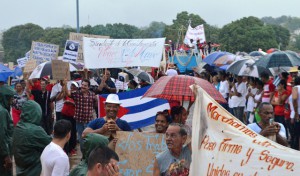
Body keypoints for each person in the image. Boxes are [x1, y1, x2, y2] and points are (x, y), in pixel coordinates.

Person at [12, 100, 52, 176]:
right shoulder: (34, 130)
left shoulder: (19, 126)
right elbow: (51, 144)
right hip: (34, 169)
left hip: (21, 169)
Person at [69, 79, 98, 154]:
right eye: (82, 85)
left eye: (85, 85)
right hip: (79, 122)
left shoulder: (92, 95)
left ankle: (88, 156)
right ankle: (84, 156)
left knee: (88, 140)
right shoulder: (76, 94)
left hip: (89, 122)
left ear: (88, 87)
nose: (83, 87)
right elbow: (68, 94)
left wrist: (97, 100)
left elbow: (96, 105)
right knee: (81, 141)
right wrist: (64, 84)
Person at [0, 85, 15, 176]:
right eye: (10, 98)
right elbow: (2, 134)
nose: (11, 101)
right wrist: (6, 155)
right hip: (2, 153)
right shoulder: (2, 112)